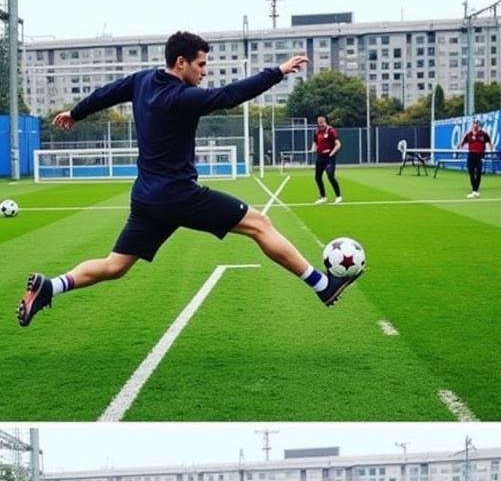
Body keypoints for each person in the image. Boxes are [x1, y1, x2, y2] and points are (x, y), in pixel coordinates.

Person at [17, 31, 355, 328]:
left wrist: (75, 113)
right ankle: (322, 286)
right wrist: (278, 72)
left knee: (115, 265)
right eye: (201, 65)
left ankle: (52, 286)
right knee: (260, 224)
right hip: (178, 196)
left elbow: (105, 93)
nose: (204, 72)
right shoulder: (182, 98)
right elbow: (230, 95)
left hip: (146, 199)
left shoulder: (141, 81)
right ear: (181, 62)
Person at [310, 114, 343, 204]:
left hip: (329, 157)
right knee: (317, 177)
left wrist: (331, 154)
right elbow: (315, 142)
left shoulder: (331, 131)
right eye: (319, 122)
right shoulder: (316, 132)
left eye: (322, 122)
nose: (320, 124)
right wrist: (313, 149)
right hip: (320, 157)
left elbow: (338, 144)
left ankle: (338, 196)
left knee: (330, 176)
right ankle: (323, 197)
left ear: (325, 121)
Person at [459, 120, 493, 199]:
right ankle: (474, 189)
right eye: (474, 124)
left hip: (480, 155)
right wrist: (460, 146)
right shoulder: (469, 134)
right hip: (471, 155)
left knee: (478, 172)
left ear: (479, 126)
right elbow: (463, 143)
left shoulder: (483, 134)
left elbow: (489, 142)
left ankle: (475, 190)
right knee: (471, 171)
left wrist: (491, 149)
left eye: (477, 124)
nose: (475, 126)